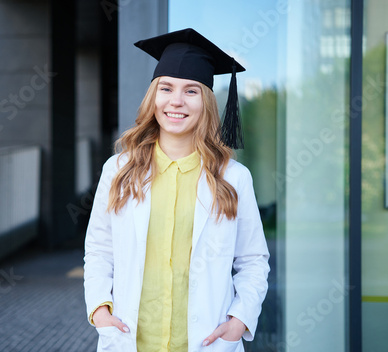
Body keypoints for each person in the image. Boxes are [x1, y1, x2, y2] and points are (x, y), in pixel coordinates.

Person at [84, 28, 270, 352]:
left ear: (206, 101)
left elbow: (253, 260)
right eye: (166, 88)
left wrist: (239, 319)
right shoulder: (118, 170)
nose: (176, 101)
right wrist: (100, 308)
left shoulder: (233, 178)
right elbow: (100, 250)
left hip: (206, 342)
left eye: (191, 91)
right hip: (131, 340)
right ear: (153, 96)